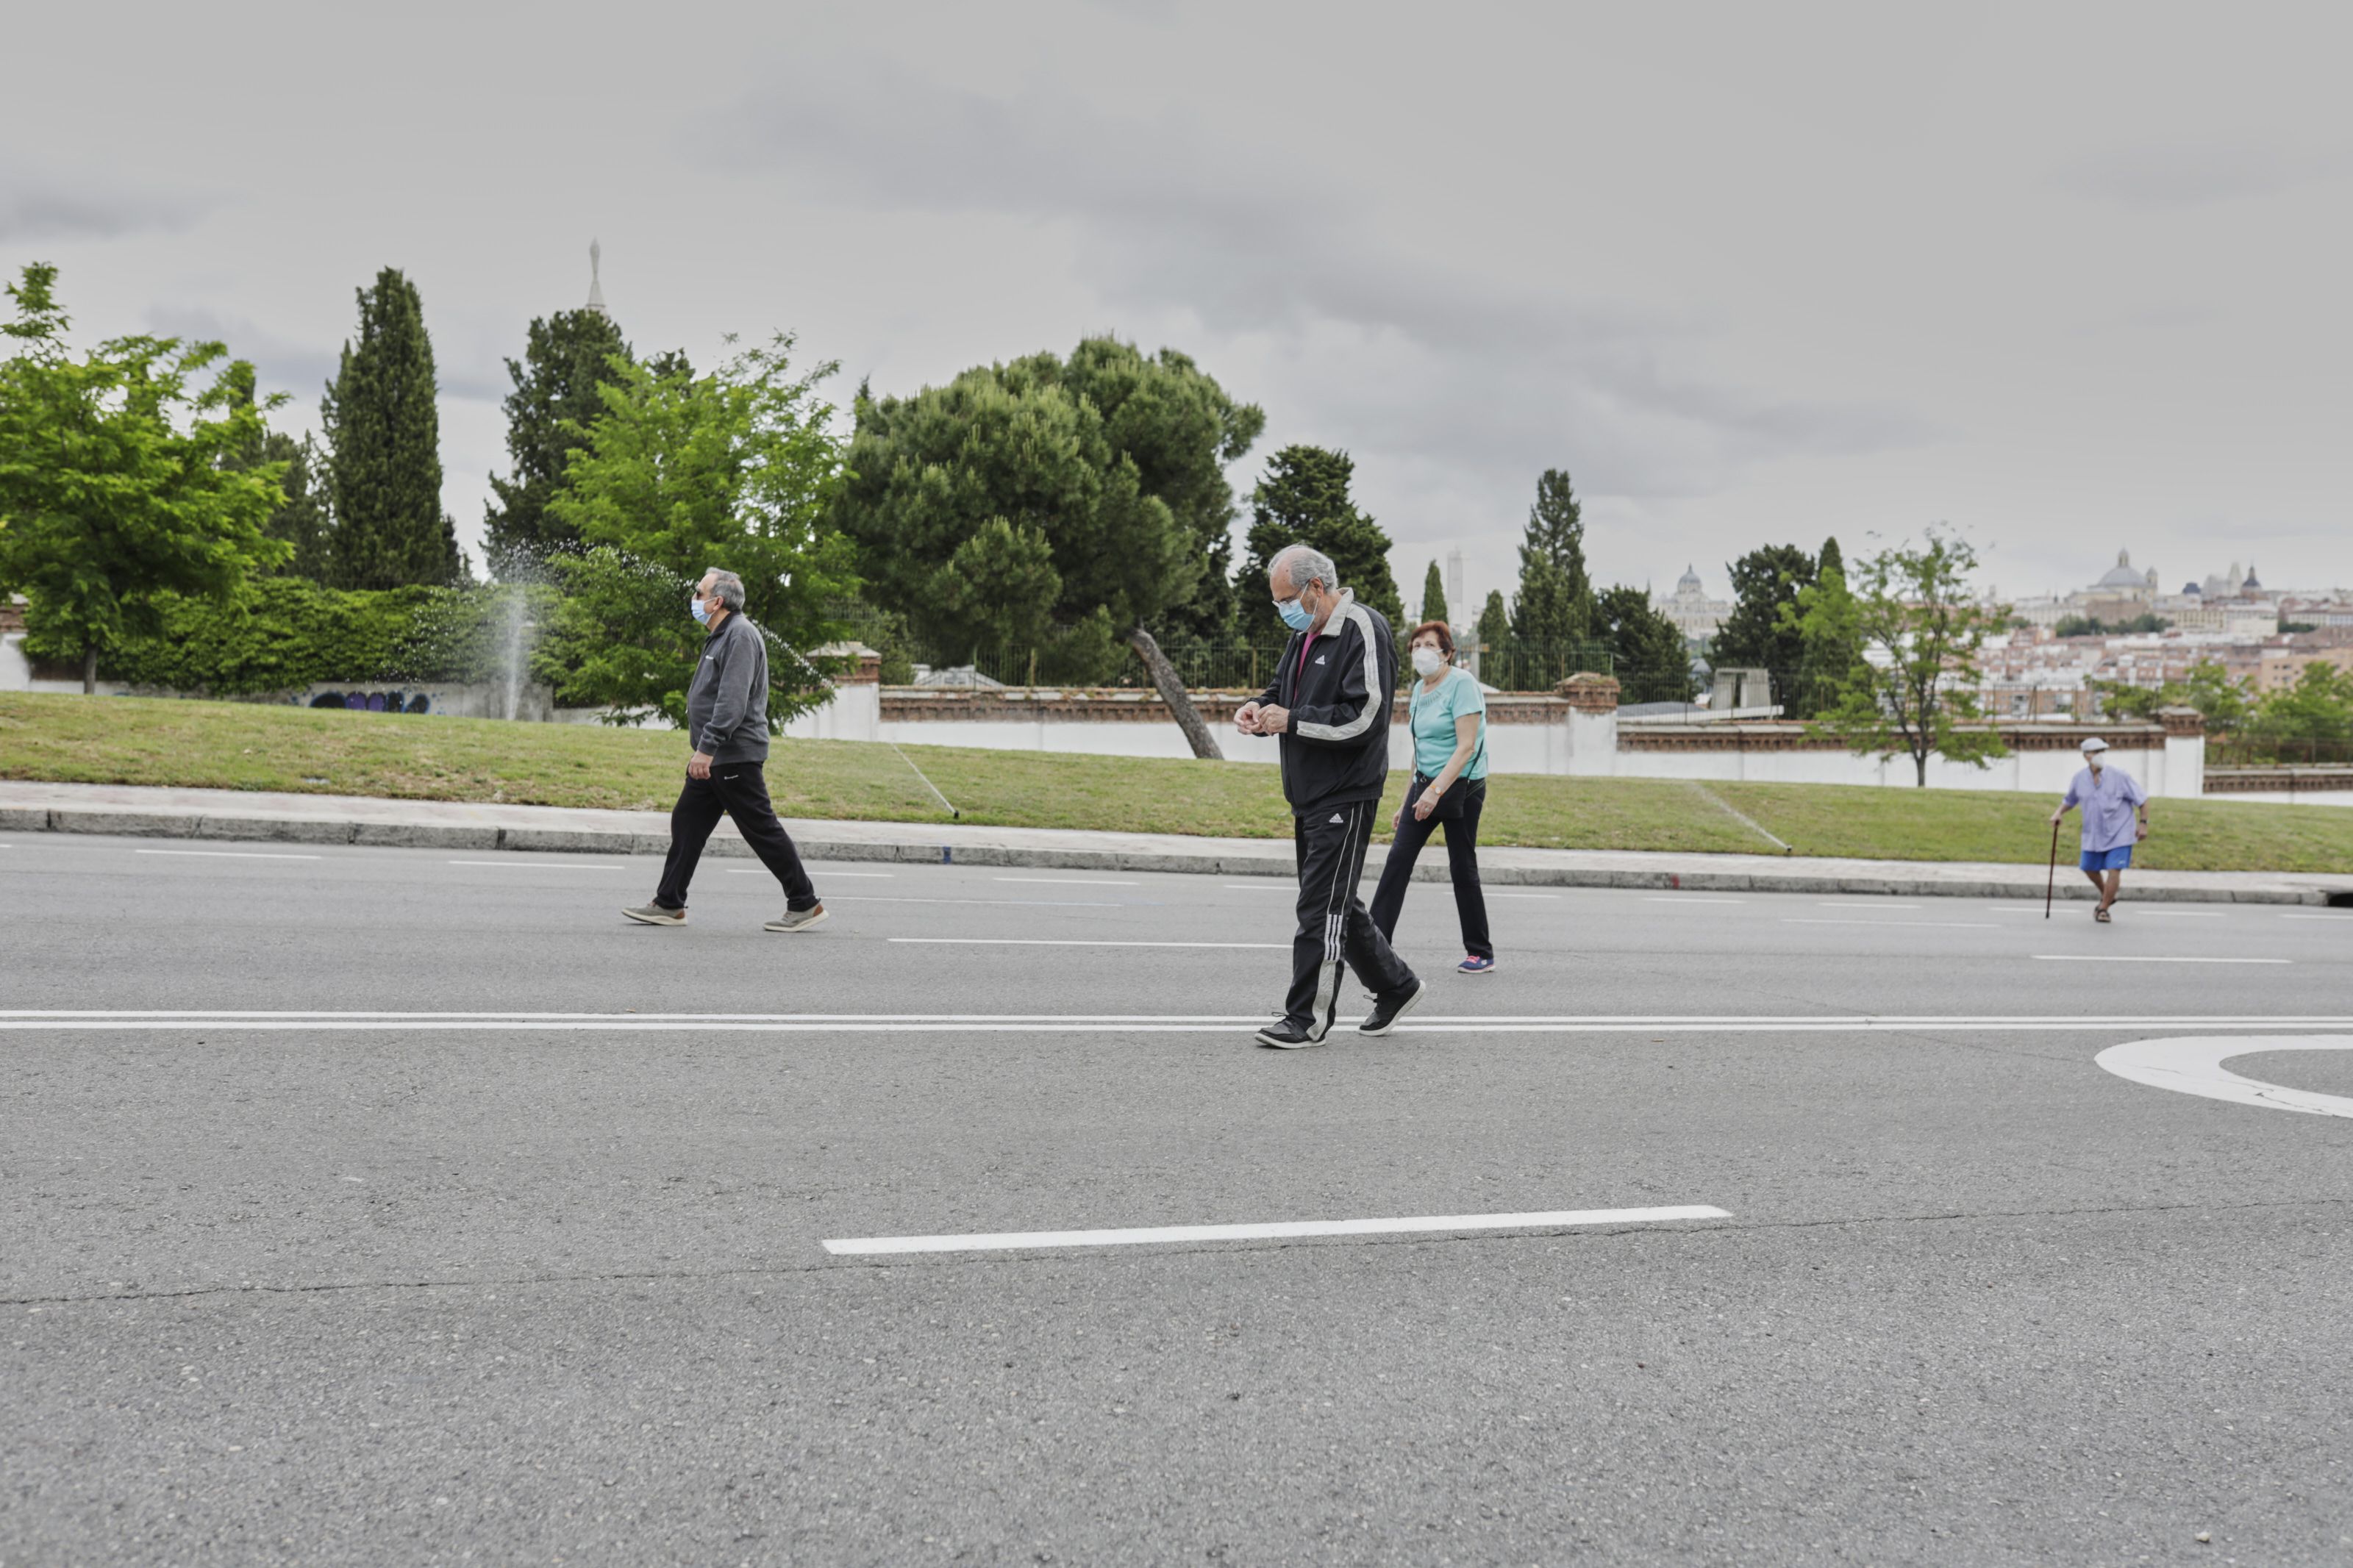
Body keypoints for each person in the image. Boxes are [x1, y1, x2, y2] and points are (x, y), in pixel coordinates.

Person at [1233, 544, 1423, 1048]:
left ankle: (1307, 1018)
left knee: (1320, 908)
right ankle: (1396, 984)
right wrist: (1257, 710)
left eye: (1286, 600)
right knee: (1336, 901)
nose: (1283, 611)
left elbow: (1367, 717)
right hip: (1309, 792)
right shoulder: (1304, 634)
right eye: (1277, 603)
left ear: (1316, 587)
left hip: (1347, 791)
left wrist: (1292, 721)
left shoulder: (1363, 628)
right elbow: (1280, 692)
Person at [622, 568, 827, 933]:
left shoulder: (740, 635)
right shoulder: (721, 636)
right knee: (687, 822)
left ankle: (804, 902)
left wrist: (707, 748)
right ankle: (669, 903)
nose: (694, 599)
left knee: (761, 828)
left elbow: (731, 702)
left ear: (717, 602)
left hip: (732, 754)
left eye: (699, 593)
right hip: (716, 756)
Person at [1368, 620, 1494, 974]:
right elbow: (1420, 751)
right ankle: (1375, 943)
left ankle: (1480, 951)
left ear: (1448, 652)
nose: (1421, 651)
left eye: (1430, 644)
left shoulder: (1463, 685)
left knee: (1462, 866)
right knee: (1398, 860)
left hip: (1461, 789)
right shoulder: (1418, 690)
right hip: (1425, 787)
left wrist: (1435, 792)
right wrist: (1407, 797)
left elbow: (1466, 746)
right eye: (1416, 645)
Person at [2049, 736, 2148, 924]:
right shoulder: (2079, 779)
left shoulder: (2120, 776)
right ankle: (2107, 895)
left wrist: (2143, 824)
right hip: (2093, 834)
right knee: (2089, 868)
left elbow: (2143, 800)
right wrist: (2058, 813)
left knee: (2114, 869)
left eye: (2102, 752)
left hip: (2120, 832)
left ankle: (2103, 909)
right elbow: (2070, 800)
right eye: (2096, 752)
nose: (2100, 756)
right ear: (2086, 756)